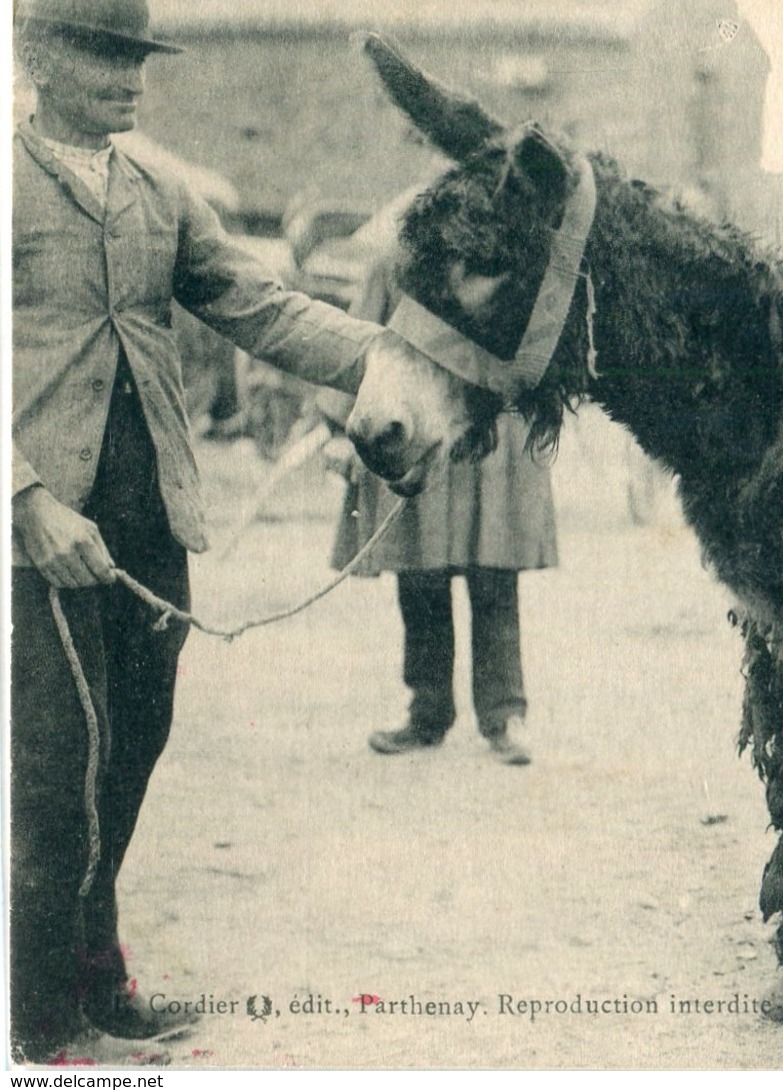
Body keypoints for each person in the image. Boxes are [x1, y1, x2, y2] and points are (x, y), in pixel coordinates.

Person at [8, 0, 424, 1064]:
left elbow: (262, 303)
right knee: (56, 767)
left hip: (152, 522)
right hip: (37, 533)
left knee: (132, 751)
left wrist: (382, 356)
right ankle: (34, 1020)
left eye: (138, 59)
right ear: (35, 54)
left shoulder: (159, 190)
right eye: (105, 56)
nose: (131, 80)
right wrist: (24, 497)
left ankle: (95, 981)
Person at [325, 221, 559, 768]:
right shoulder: (398, 257)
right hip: (414, 428)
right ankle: (427, 711)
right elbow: (359, 338)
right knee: (420, 576)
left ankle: (504, 716)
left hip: (490, 436)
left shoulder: (509, 258)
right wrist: (341, 427)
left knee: (495, 576)